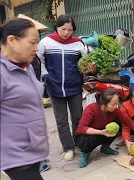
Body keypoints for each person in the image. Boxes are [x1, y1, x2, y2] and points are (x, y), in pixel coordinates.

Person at [0, 18, 49, 180]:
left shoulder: (25, 66)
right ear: (12, 40)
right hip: (15, 157)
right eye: (32, 42)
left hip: (32, 152)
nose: (36, 48)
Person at [37, 14, 87, 161]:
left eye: (70, 30)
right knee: (61, 120)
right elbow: (40, 62)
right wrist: (46, 77)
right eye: (63, 29)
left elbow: (85, 63)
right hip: (55, 86)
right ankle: (68, 147)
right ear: (56, 27)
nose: (66, 33)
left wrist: (87, 70)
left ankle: (78, 142)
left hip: (74, 87)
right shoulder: (46, 42)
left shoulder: (78, 43)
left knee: (78, 117)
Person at [74, 89, 134, 168]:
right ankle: (85, 154)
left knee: (117, 125)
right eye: (113, 104)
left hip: (103, 132)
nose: (115, 106)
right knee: (92, 137)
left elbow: (129, 122)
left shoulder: (115, 111)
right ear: (103, 104)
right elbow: (81, 128)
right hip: (84, 136)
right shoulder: (91, 109)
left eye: (116, 103)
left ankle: (105, 147)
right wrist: (100, 132)